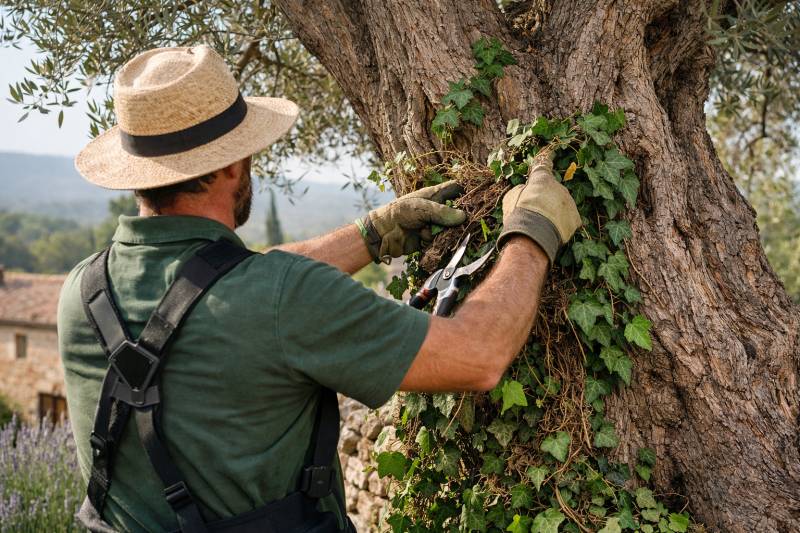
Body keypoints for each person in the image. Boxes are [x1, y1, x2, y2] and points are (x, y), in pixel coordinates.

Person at [58, 45, 580, 533]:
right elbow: (479, 355)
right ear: (234, 162)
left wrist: (371, 234)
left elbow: (212, 285)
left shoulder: (83, 291)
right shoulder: (283, 297)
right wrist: (532, 232)